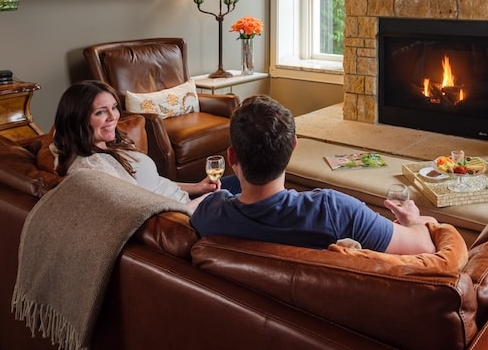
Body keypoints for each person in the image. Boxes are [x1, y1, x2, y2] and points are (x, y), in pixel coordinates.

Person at [192, 95, 438, 254]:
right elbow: (424, 247)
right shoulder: (333, 211)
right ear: (293, 147)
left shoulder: (208, 213)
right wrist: (414, 221)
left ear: (231, 157)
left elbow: (186, 204)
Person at [51, 80, 232, 213]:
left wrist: (197, 188)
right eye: (100, 112)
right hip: (185, 213)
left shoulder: (108, 146)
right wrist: (200, 202)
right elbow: (141, 212)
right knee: (245, 195)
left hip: (186, 200)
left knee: (244, 179)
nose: (113, 117)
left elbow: (154, 183)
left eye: (114, 107)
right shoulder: (94, 169)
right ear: (78, 120)